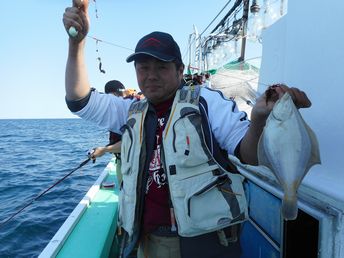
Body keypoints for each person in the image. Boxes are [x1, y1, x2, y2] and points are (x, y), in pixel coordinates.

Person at [62, 2, 311, 258]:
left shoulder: (206, 102)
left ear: (180, 71)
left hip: (206, 244)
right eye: (143, 68)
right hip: (149, 242)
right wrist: (77, 44)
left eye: (161, 67)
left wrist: (257, 119)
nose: (151, 75)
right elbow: (79, 100)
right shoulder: (131, 111)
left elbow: (249, 155)